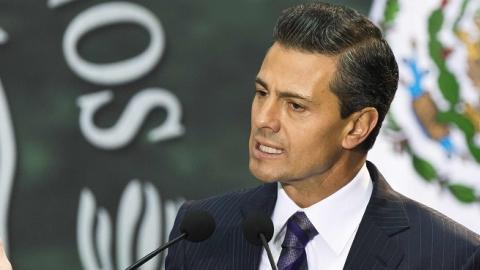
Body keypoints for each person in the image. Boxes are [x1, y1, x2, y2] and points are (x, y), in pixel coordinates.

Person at [165, 2, 480, 269]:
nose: (263, 119)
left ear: (357, 127)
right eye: (262, 93)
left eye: (295, 106)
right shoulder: (201, 232)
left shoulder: (448, 257)